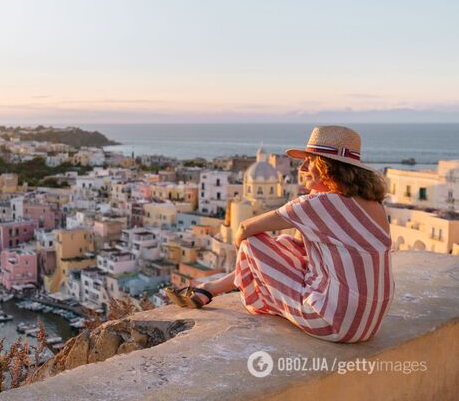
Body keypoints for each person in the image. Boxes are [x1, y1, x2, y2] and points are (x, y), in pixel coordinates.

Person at [166, 125, 394, 343]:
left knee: (252, 242)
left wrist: (247, 257)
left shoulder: (319, 203)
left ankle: (211, 290)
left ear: (329, 167)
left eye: (310, 161)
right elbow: (298, 247)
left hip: (332, 322)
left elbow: (245, 229)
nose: (301, 168)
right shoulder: (375, 205)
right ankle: (210, 289)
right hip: (369, 323)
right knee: (286, 243)